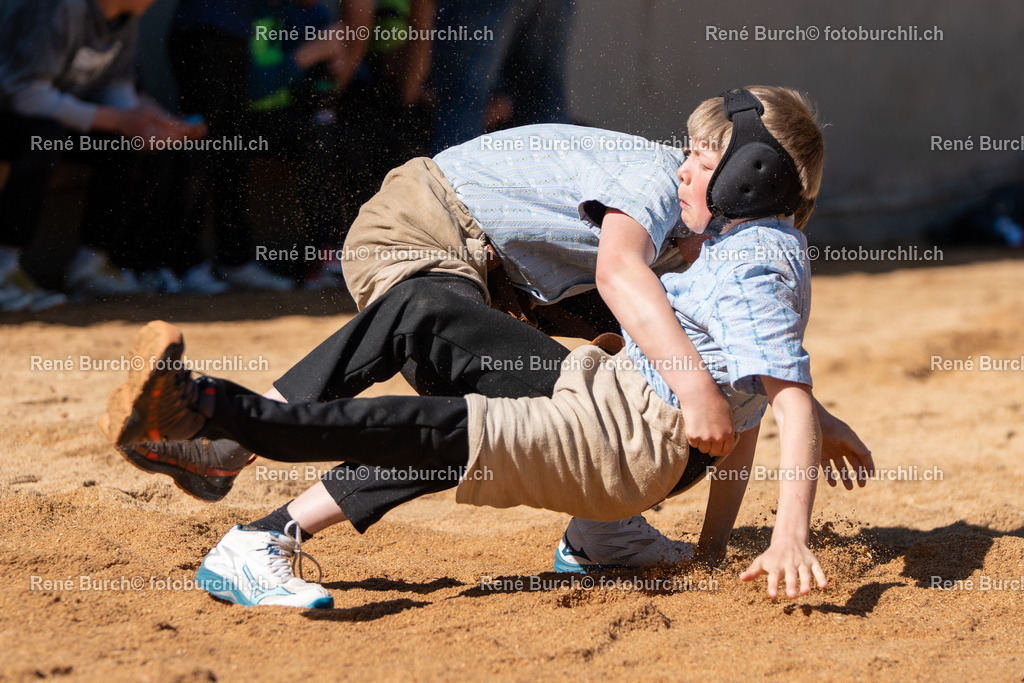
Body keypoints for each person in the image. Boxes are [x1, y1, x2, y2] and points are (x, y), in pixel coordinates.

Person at [102, 86, 874, 608]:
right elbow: (620, 272)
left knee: (501, 403)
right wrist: (735, 398)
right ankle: (235, 457)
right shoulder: (656, 183)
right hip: (424, 232)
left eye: (707, 158)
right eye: (693, 153)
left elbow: (732, 346)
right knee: (429, 322)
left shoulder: (725, 237)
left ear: (749, 180)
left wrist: (803, 405)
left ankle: (602, 533)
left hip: (513, 281)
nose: (684, 166)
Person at [0, 0, 206, 310]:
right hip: (14, 117)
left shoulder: (126, 18)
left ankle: (90, 266)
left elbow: (115, 84)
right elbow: (24, 93)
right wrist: (119, 119)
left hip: (59, 119)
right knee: (44, 138)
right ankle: (4, 270)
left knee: (129, 143)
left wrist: (147, 122)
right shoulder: (56, 9)